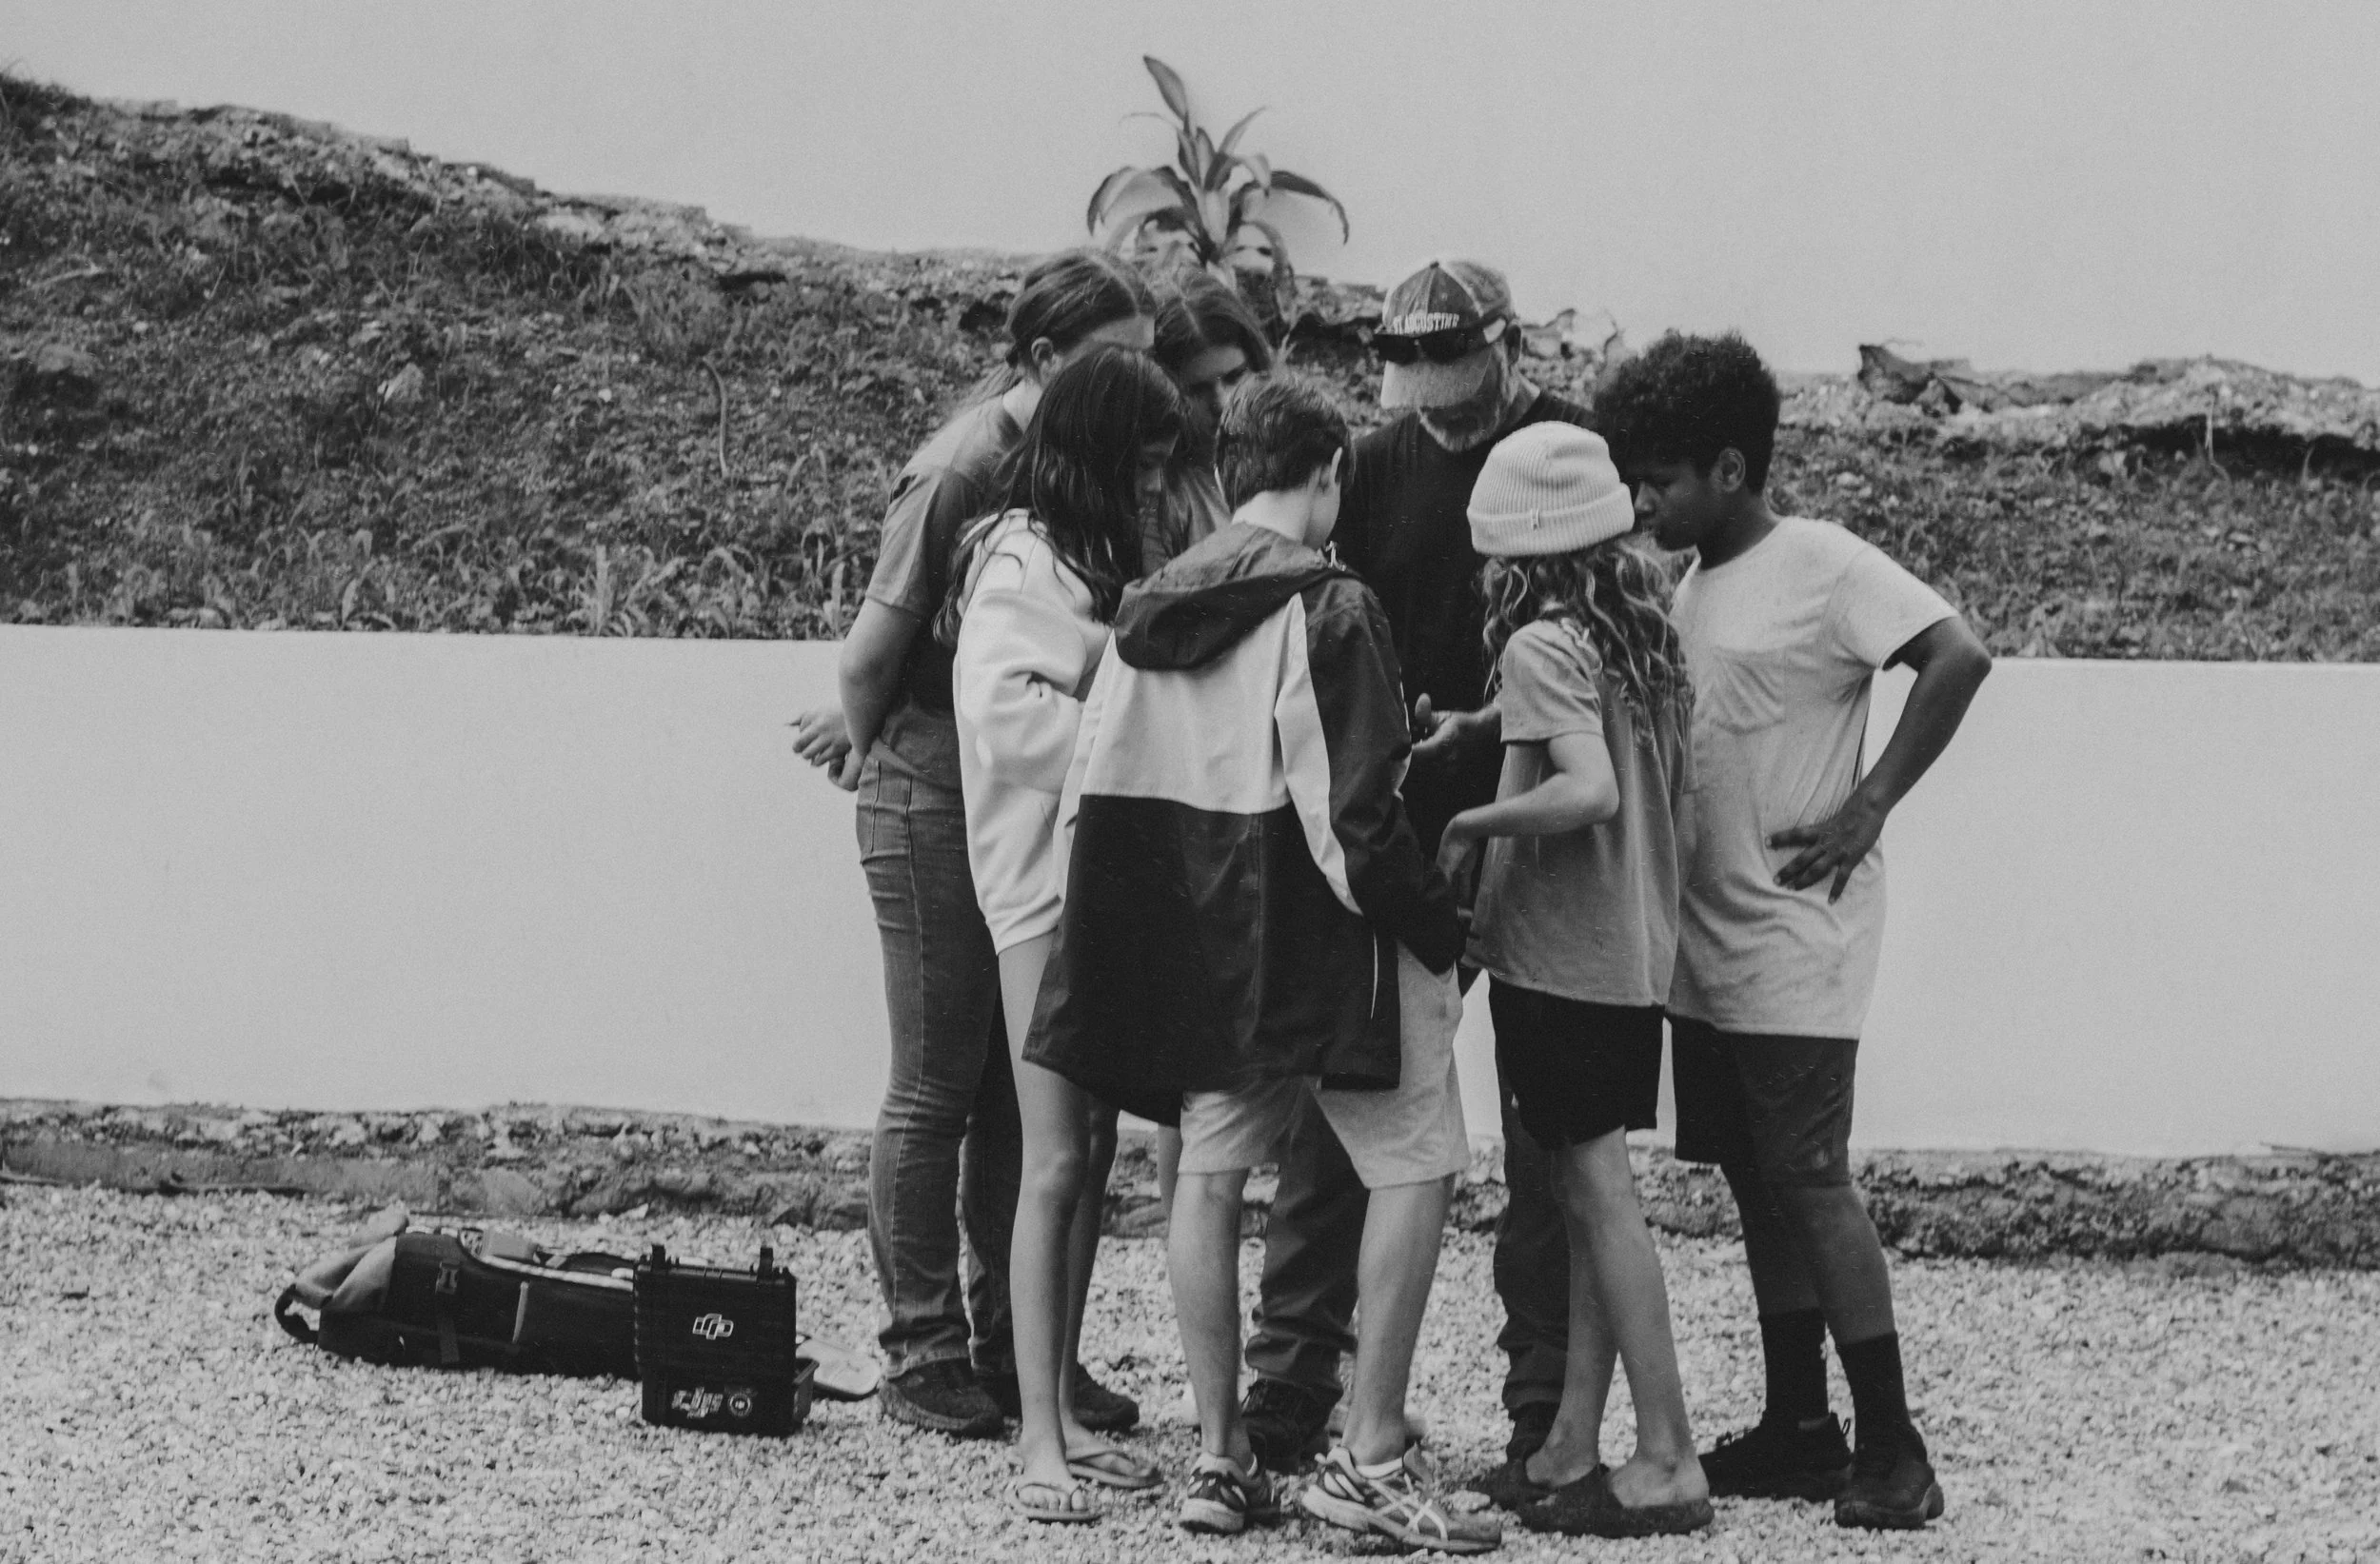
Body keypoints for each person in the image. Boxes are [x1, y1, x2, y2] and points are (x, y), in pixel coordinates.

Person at [1029, 377, 1499, 1554]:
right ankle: (1369, 1454)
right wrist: (1439, 925)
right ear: (1328, 470)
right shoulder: (1330, 604)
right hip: (1334, 955)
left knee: (1206, 1176)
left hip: (1207, 950)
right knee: (1415, 1163)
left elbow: (1095, 794)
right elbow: (1355, 825)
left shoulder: (1146, 609)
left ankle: (1219, 1453)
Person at [1597, 330, 1992, 1532]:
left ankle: (1895, 1446)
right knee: (1758, 1180)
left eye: (1659, 478)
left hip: (1794, 938)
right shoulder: (1688, 583)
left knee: (1811, 1178)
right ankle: (1799, 1424)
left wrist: (1867, 805)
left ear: (1730, 467)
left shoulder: (1820, 562)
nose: (1641, 500)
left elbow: (1957, 655)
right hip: (1706, 942)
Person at [786, 249, 1151, 1439]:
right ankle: (922, 1345)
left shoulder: (1077, 466)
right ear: (1044, 358)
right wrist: (864, 734)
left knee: (1012, 1088)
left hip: (1011, 802)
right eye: (1117, 362)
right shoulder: (962, 467)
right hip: (936, 796)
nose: (1140, 385)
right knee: (937, 1080)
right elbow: (870, 651)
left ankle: (1015, 1346)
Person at [1240, 259, 1589, 1475]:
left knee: (1546, 1130)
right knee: (1340, 1119)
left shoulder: (1566, 451)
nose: (1434, 410)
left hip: (1543, 824)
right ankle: (1292, 1379)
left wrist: (1489, 731)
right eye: (1413, 384)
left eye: (1454, 381)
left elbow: (1605, 633)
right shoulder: (1376, 464)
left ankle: (1541, 1397)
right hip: (1391, 845)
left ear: (1507, 348)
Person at [1433, 424, 1710, 1538]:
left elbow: (1586, 788)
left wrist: (1469, 821)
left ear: (1515, 546)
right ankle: (1569, 1441)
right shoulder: (1640, 636)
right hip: (1633, 955)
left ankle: (1669, 1455)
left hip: (1562, 963)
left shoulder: (1544, 642)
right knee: (1598, 1203)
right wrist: (1490, 732)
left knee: (1598, 1201)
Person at [942, 345, 1184, 1522]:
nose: (1156, 482)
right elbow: (1004, 718)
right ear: (1101, 453)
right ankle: (1038, 1434)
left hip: (1090, 887)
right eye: (1144, 460)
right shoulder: (1021, 562)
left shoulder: (1079, 555)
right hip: (1039, 894)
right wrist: (1117, 696)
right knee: (1053, 1158)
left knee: (1087, 1152)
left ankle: (1063, 1411)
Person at [1142, 269, 1274, 574]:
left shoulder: (1281, 455)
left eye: (1234, 377)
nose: (1222, 403)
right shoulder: (1162, 497)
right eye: (1197, 390)